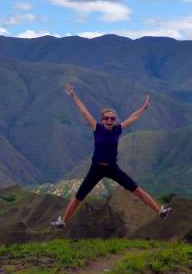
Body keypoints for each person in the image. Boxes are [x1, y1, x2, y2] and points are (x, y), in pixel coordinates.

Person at [51, 83, 171, 229]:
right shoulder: (97, 128)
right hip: (96, 168)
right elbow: (83, 111)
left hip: (112, 168)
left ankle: (160, 211)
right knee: (79, 196)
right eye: (107, 118)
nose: (109, 121)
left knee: (136, 189)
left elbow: (132, 118)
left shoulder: (118, 129)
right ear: (102, 120)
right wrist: (73, 95)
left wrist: (143, 108)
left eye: (112, 118)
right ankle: (62, 221)